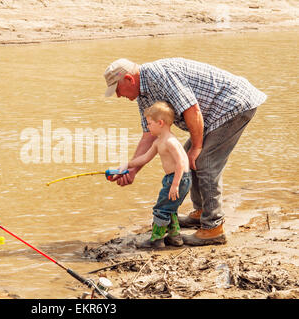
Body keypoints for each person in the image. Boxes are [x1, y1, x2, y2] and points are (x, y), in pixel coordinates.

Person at [104, 57, 267, 246]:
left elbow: (192, 109)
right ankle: (201, 213)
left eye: (117, 89)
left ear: (130, 80)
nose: (118, 95)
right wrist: (131, 171)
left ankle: (213, 227)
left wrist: (197, 147)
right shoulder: (143, 95)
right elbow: (149, 135)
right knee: (187, 155)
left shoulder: (159, 75)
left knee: (203, 161)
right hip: (211, 115)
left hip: (233, 104)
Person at [118, 101, 191, 248]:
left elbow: (181, 163)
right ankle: (175, 237)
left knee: (161, 209)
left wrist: (175, 184)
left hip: (178, 179)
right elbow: (144, 158)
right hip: (173, 179)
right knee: (169, 208)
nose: (148, 126)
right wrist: (127, 165)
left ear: (160, 123)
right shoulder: (158, 142)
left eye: (150, 123)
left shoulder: (170, 141)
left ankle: (156, 240)